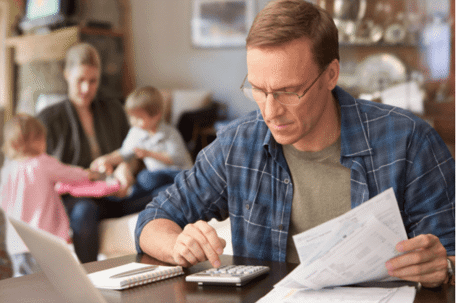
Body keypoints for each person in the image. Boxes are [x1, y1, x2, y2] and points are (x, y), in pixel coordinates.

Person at [135, 0, 454, 288]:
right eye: (258, 89)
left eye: (289, 91)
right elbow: (152, 220)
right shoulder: (238, 144)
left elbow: (450, 253)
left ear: (331, 75)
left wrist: (445, 267)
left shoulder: (410, 141)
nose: (270, 111)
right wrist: (177, 245)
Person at [37, 43, 152, 263]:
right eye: (80, 80)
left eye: (93, 81)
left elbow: (133, 153)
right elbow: (43, 172)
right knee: (85, 212)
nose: (86, 89)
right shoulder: (48, 119)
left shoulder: (113, 110)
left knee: (166, 189)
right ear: (67, 74)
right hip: (75, 200)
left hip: (114, 194)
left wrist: (125, 169)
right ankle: (90, 283)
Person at [0, 114, 99, 276]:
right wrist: (89, 175)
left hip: (17, 244)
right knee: (52, 284)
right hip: (44, 242)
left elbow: (4, 202)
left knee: (26, 288)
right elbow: (69, 174)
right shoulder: (41, 162)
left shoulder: (7, 171)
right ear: (38, 140)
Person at [90, 86, 193, 194]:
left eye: (139, 118)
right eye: (131, 117)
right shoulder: (136, 132)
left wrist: (149, 154)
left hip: (178, 174)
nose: (133, 122)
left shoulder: (170, 133)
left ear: (156, 115)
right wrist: (107, 159)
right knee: (143, 186)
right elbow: (124, 153)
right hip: (157, 178)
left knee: (145, 177)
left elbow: (176, 158)